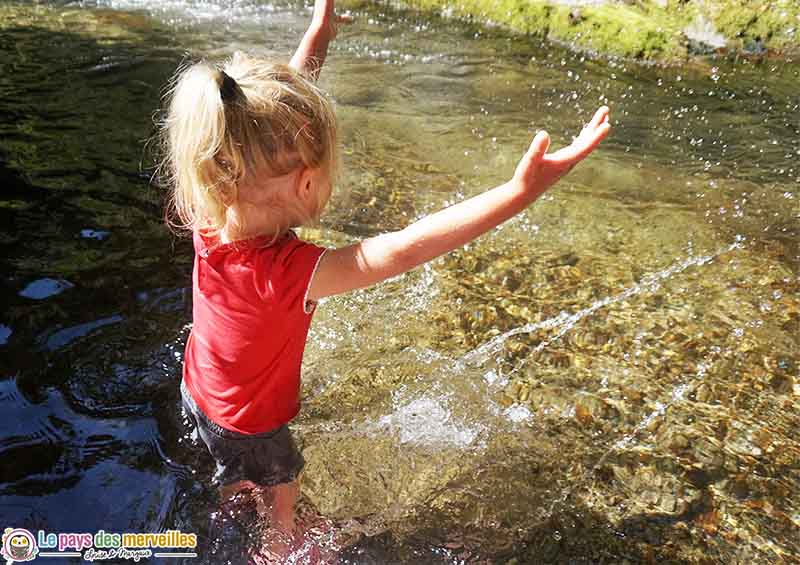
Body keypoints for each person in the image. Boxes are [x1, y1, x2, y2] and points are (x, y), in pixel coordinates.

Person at [159, 0, 610, 558]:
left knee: (229, 465)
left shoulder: (213, 209)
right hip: (253, 430)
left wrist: (318, 35)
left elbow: (268, 118)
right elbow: (401, 249)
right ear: (305, 187)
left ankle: (232, 489)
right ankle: (274, 544)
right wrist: (518, 193)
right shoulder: (288, 272)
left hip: (199, 390)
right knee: (275, 511)